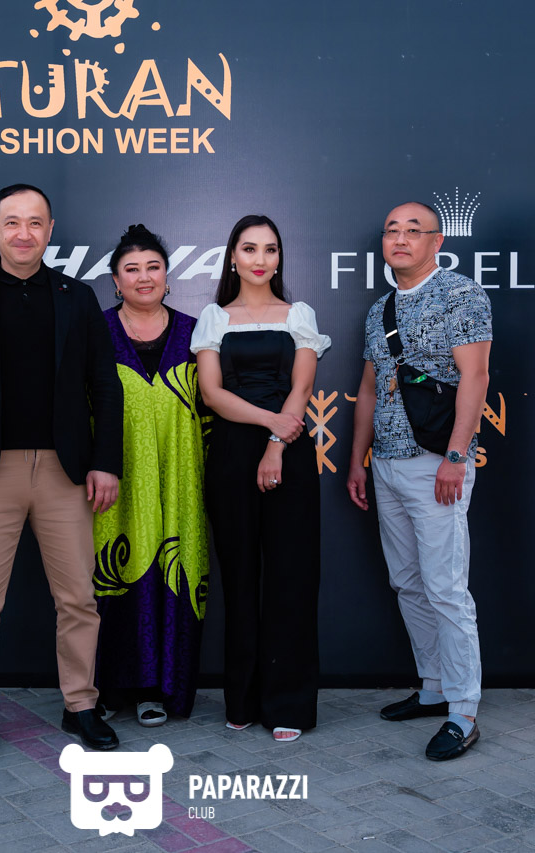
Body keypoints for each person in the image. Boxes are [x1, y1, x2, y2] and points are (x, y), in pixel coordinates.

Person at [0, 184, 123, 765]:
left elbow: (105, 387)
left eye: (35, 222)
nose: (23, 233)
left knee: (78, 598)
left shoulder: (77, 297)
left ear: (50, 229)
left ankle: (81, 705)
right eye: (12, 222)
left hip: (64, 471)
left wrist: (105, 461)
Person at [346, 202, 492, 762]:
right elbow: (368, 388)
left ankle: (464, 710)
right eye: (392, 230)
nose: (401, 239)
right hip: (386, 462)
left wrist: (456, 455)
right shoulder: (379, 309)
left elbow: (475, 376)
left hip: (437, 462)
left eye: (414, 230)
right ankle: (433, 687)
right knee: (407, 582)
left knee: (446, 587)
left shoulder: (461, 294)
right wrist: (358, 460)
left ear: (437, 242)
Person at [191, 214, 329, 743]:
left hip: (288, 450)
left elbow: (302, 388)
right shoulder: (213, 318)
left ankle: (288, 703)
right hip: (231, 452)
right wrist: (270, 422)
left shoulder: (299, 314)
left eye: (270, 249)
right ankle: (243, 698)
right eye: (249, 249)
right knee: (240, 578)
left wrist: (276, 443)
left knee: (292, 576)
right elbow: (212, 394)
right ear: (233, 257)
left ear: (278, 258)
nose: (260, 259)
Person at [93, 224, 209, 727]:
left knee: (173, 573)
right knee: (114, 576)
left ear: (167, 275)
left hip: (182, 480)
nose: (144, 277)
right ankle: (106, 688)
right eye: (132, 269)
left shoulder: (198, 333)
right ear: (116, 281)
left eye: (153, 267)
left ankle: (158, 689)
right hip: (112, 481)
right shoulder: (94, 332)